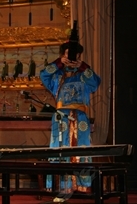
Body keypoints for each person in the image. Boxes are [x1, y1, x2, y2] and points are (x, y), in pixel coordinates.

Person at [39, 42, 101, 194]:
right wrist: (59, 62)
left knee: (82, 148)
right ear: (63, 54)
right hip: (61, 118)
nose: (71, 57)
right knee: (59, 149)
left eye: (75, 55)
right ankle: (59, 186)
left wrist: (83, 66)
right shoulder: (57, 77)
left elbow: (96, 82)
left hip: (80, 118)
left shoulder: (84, 75)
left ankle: (82, 185)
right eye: (68, 54)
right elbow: (43, 74)